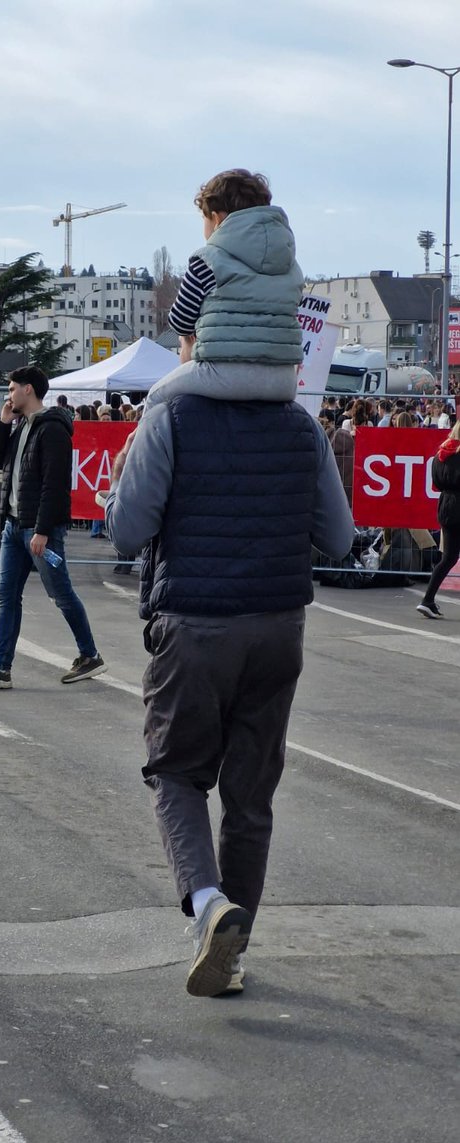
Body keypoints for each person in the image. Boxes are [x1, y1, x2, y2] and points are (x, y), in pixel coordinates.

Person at [105, 355, 353, 999]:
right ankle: (232, 954)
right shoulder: (302, 425)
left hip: (194, 623)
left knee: (177, 772)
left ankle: (210, 906)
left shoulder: (171, 417)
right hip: (278, 627)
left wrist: (121, 478)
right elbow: (341, 537)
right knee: (250, 797)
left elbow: (127, 532)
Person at [0, 365, 106, 689]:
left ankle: (90, 654)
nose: (8, 395)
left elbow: (54, 484)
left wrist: (42, 530)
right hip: (13, 527)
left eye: (12, 389)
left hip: (39, 531)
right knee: (7, 596)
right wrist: (3, 422)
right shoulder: (21, 426)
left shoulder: (51, 429)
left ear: (28, 389)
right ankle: (1, 667)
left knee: (60, 592)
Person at [145, 169, 303, 413]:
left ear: (217, 219)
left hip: (223, 374)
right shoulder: (290, 266)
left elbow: (180, 321)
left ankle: (132, 452)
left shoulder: (207, 259)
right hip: (283, 380)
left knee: (156, 399)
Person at [416, 420, 460, 619]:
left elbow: (436, 483)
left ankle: (427, 600)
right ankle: (427, 601)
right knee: (449, 557)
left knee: (449, 557)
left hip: (446, 506)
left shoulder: (440, 454)